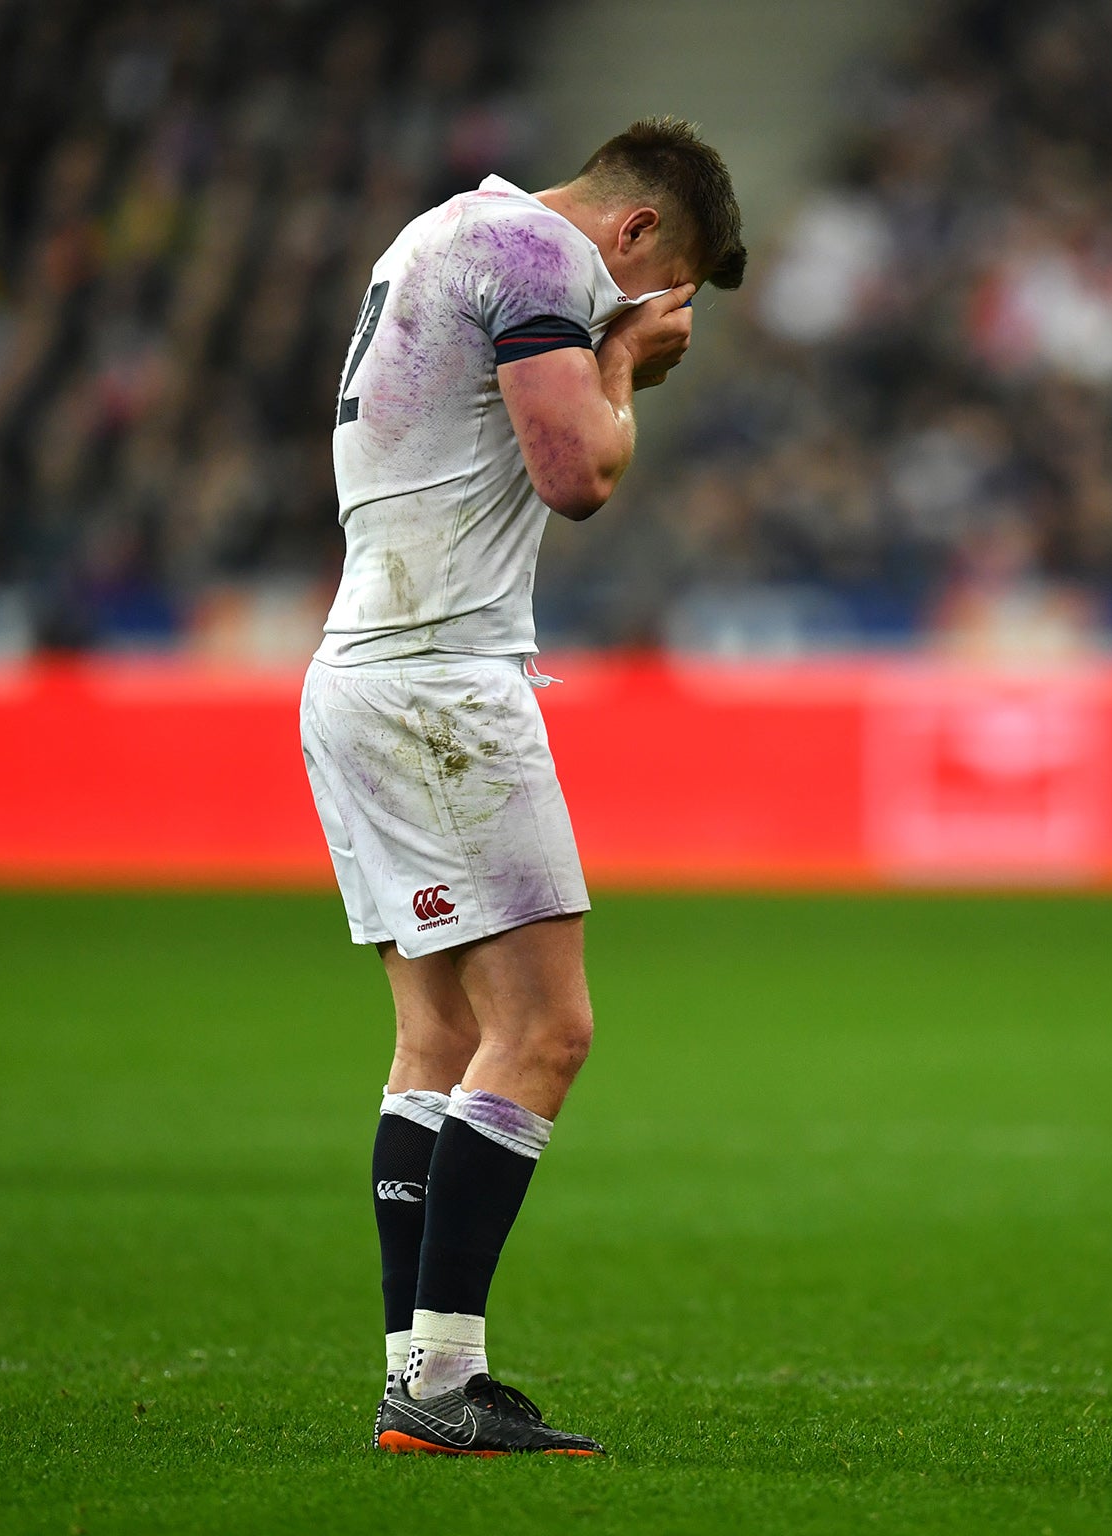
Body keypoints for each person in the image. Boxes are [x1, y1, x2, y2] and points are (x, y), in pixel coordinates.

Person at [299, 117, 746, 1457]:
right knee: (545, 1033)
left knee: (440, 1040)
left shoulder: (441, 234)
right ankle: (440, 1387)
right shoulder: (542, 255)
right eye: (661, 290)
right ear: (638, 235)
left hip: (359, 671)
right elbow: (579, 476)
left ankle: (420, 1379)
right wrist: (614, 360)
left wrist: (603, 360)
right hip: (441, 680)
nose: (649, 313)